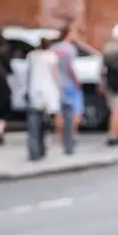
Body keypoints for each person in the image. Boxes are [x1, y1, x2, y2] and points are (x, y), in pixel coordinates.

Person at [26, 37, 61, 161]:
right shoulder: (52, 57)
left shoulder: (31, 56)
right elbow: (55, 75)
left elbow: (29, 74)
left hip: (34, 90)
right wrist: (58, 91)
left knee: (33, 123)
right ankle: (42, 149)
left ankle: (33, 150)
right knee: (45, 124)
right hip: (48, 91)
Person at [51, 23, 83, 155]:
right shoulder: (70, 49)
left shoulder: (53, 48)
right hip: (69, 84)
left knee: (59, 113)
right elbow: (70, 68)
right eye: (74, 33)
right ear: (68, 34)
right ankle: (71, 137)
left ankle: (60, 138)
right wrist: (76, 81)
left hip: (56, 84)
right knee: (75, 112)